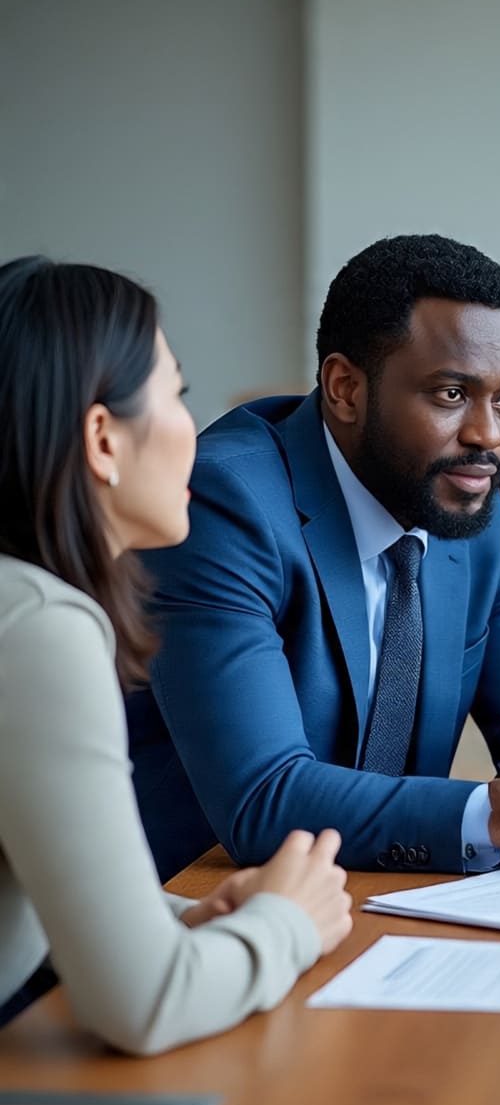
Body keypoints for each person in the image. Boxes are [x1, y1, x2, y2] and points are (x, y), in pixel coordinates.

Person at [128, 234, 500, 880]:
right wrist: (488, 816)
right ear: (345, 389)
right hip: (190, 907)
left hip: (379, 902)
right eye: (451, 395)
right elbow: (263, 798)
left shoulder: (481, 509)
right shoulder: (223, 505)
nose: (489, 436)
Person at [0, 257, 352, 1050]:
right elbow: (147, 1004)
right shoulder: (38, 628)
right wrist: (288, 924)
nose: (195, 431)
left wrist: (191, 920)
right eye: (177, 395)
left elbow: (44, 882)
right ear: (102, 438)